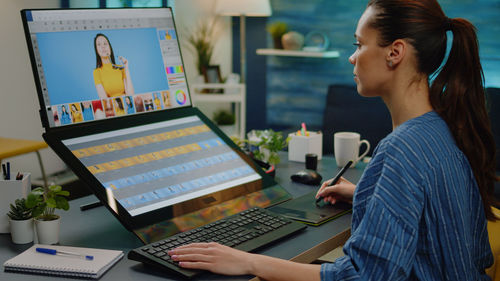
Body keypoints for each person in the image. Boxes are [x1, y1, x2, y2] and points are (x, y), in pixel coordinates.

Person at [167, 0, 498, 280]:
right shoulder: (439, 128)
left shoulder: (401, 149)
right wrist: (371, 196)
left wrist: (249, 262)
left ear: (395, 52)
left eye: (358, 44)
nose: (352, 58)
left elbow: (360, 276)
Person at [93, 33, 134, 99]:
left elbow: (131, 95)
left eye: (105, 44)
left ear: (110, 47)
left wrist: (126, 67)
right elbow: (104, 100)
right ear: (97, 50)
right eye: (99, 44)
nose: (103, 46)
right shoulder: (97, 72)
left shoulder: (120, 68)